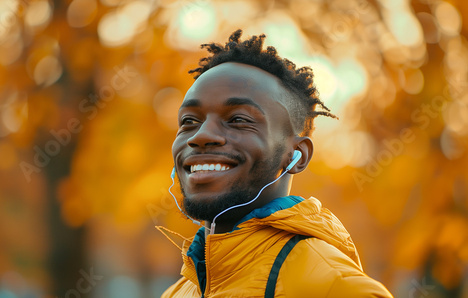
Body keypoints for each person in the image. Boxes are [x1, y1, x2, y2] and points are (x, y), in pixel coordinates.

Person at [160, 29, 393, 297]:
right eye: (189, 121)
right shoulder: (177, 292)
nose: (201, 136)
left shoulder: (334, 287)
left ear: (297, 155)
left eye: (238, 119)